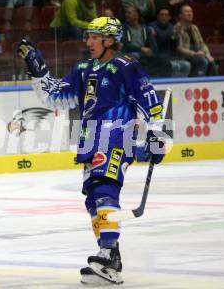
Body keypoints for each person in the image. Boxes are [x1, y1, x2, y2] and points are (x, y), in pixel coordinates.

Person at [17, 17, 167, 285]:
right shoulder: (83, 68)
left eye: (94, 37)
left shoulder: (126, 66)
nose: (88, 42)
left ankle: (108, 252)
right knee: (92, 200)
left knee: (104, 189)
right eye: (87, 37)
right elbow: (55, 97)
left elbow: (150, 102)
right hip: (89, 140)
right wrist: (38, 70)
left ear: (109, 40)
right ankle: (111, 260)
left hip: (117, 136)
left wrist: (157, 135)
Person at [174, 4, 218, 76]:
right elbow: (179, 48)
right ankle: (196, 83)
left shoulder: (194, 27)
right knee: (203, 61)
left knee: (211, 61)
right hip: (184, 56)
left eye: (191, 12)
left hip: (197, 55)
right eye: (186, 12)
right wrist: (194, 54)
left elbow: (202, 43)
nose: (189, 14)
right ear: (180, 15)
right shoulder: (177, 28)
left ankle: (214, 85)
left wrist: (207, 54)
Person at [149, 7, 191, 76]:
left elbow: (175, 45)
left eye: (166, 15)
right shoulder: (151, 27)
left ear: (169, 17)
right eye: (162, 15)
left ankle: (181, 84)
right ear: (158, 16)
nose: (164, 17)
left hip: (171, 56)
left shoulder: (172, 28)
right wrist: (170, 36)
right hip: (157, 56)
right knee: (174, 66)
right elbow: (155, 45)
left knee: (187, 65)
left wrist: (177, 37)